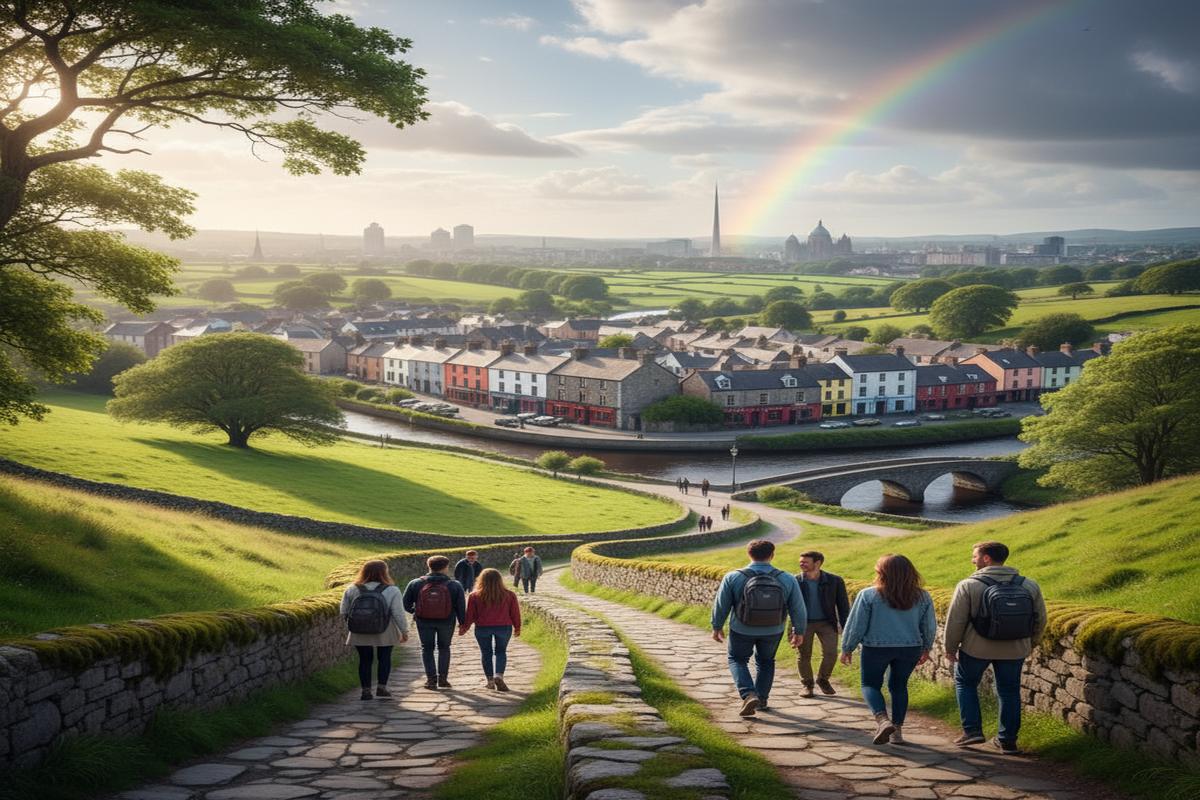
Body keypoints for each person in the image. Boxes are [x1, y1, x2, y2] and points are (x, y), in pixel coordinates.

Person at [944, 540, 1046, 755]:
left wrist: (950, 648)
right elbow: (1040, 619)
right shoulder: (1029, 584)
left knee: (965, 683)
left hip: (976, 648)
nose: (973, 560)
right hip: (1015, 649)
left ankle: (972, 731)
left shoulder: (969, 585)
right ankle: (1007, 741)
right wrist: (1029, 643)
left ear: (986, 558)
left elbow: (956, 621)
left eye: (975, 556)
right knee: (1009, 691)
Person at [840, 554, 936, 745]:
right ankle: (897, 731)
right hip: (910, 647)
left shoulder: (868, 595)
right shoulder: (922, 596)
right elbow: (929, 626)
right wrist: (927, 647)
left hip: (876, 647)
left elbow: (856, 625)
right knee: (899, 686)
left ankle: (883, 720)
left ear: (882, 572)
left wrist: (847, 647)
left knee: (870, 685)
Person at [711, 539, 806, 717]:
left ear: (749, 554)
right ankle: (761, 699)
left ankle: (748, 694)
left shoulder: (734, 576)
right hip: (773, 629)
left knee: (737, 659)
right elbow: (798, 608)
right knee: (766, 661)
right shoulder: (787, 578)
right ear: (772, 555)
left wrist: (717, 626)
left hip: (742, 628)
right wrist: (799, 631)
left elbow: (721, 604)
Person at [341, 559, 409, 700]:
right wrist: (404, 631)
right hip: (385, 629)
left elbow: (344, 611)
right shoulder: (392, 590)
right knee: (384, 658)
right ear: (384, 572)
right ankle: (381, 688)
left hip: (359, 630)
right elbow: (398, 613)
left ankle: (366, 691)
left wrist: (356, 624)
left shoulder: (352, 588)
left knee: (364, 660)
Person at [403, 555, 467, 690]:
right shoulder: (454, 585)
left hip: (424, 621)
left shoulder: (416, 583)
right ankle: (443, 679)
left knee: (427, 648)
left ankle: (431, 680)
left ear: (429, 566)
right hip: (447, 621)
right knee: (444, 648)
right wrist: (462, 623)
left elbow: (405, 604)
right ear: (445, 568)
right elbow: (461, 606)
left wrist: (417, 611)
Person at [794, 551, 850, 698]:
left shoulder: (835, 581)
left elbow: (843, 606)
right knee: (803, 654)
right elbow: (790, 606)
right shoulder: (795, 581)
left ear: (817, 563)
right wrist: (793, 629)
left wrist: (847, 628)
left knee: (831, 653)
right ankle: (807, 685)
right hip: (803, 624)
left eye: (805, 562)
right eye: (801, 561)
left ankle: (823, 680)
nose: (801, 564)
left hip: (827, 623)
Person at [459, 568, 522, 691]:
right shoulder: (509, 594)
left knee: (486, 653)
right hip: (504, 627)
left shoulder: (474, 596)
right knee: (501, 652)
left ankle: (490, 681)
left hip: (482, 628)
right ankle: (499, 675)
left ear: (481, 580)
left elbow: (470, 615)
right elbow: (515, 613)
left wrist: (465, 627)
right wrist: (517, 627)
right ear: (500, 580)